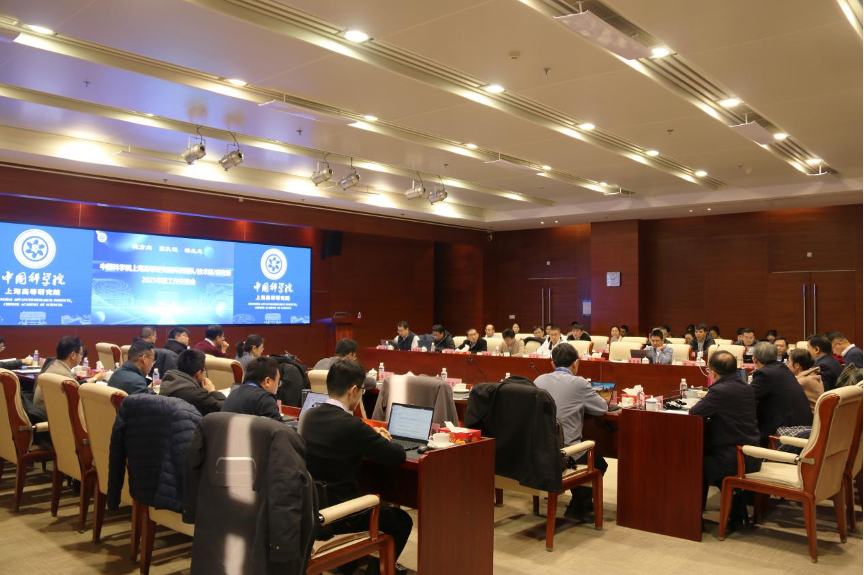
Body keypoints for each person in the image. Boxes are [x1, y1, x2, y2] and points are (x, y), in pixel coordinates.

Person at [300, 360, 413, 575]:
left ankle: (348, 566)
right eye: (362, 390)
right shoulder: (352, 426)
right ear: (353, 390)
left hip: (312, 508)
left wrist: (369, 435)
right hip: (342, 515)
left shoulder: (308, 416)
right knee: (402, 521)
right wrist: (378, 437)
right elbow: (396, 456)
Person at [534, 343, 608, 521]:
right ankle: (579, 505)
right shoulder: (579, 383)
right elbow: (602, 408)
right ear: (576, 363)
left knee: (588, 455)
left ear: (552, 364)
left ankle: (580, 504)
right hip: (565, 453)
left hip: (541, 449)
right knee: (599, 463)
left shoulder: (539, 380)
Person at [689, 351, 761, 530]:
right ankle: (737, 510)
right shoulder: (746, 387)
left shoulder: (720, 390)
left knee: (692, 463)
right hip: (750, 452)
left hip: (733, 457)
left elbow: (694, 413)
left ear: (712, 372)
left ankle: (693, 520)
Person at [750, 342, 812, 446]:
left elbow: (746, 396)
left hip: (785, 432)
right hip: (804, 428)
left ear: (755, 359)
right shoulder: (783, 368)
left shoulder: (764, 374)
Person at [37, 336, 105, 407]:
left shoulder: (52, 364)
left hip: (42, 410)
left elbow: (77, 385)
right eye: (81, 354)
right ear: (73, 355)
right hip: (49, 412)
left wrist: (94, 378)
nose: (81, 357)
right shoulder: (66, 378)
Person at [159, 349, 226, 416]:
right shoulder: (197, 395)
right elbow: (225, 408)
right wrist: (212, 391)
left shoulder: (167, 383)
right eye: (204, 370)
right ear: (198, 373)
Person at [222, 356, 283, 421]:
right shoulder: (265, 398)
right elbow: (279, 427)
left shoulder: (233, 394)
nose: (278, 386)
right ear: (267, 381)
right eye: (278, 382)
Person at [788, 348, 823, 412]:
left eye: (788, 361)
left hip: (808, 416)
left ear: (797, 365)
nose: (787, 364)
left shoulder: (802, 381)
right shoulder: (812, 374)